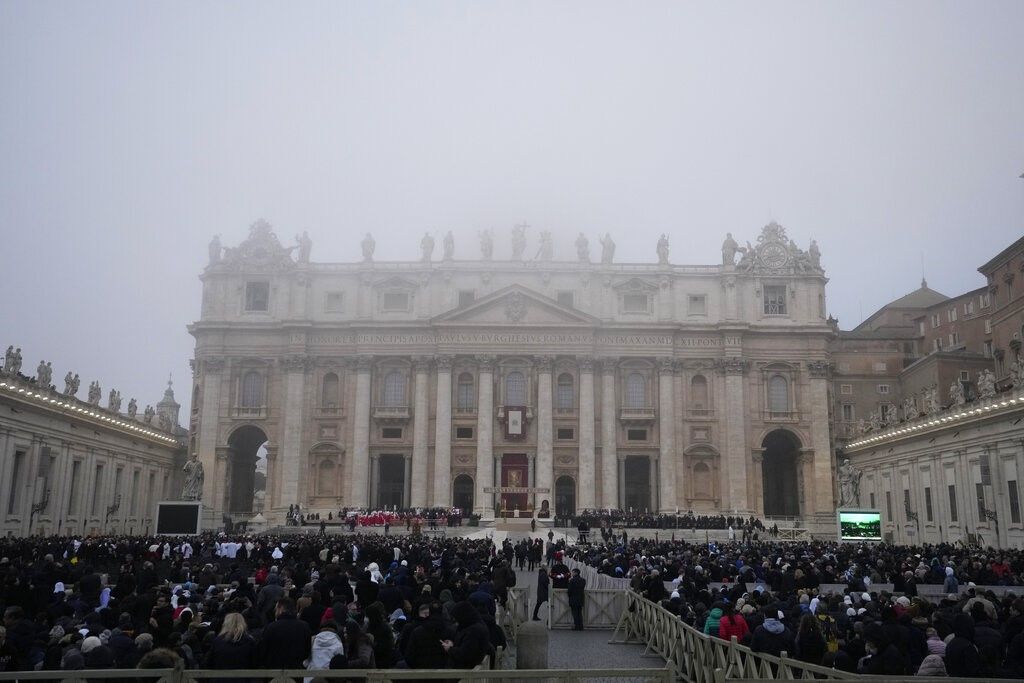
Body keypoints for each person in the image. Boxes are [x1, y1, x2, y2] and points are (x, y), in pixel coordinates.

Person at [258, 598, 312, 669]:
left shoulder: (271, 627)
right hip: (296, 668)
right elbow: (307, 650)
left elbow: (263, 650)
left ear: (281, 608)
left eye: (276, 609)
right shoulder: (304, 626)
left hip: (274, 668)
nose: (275, 612)